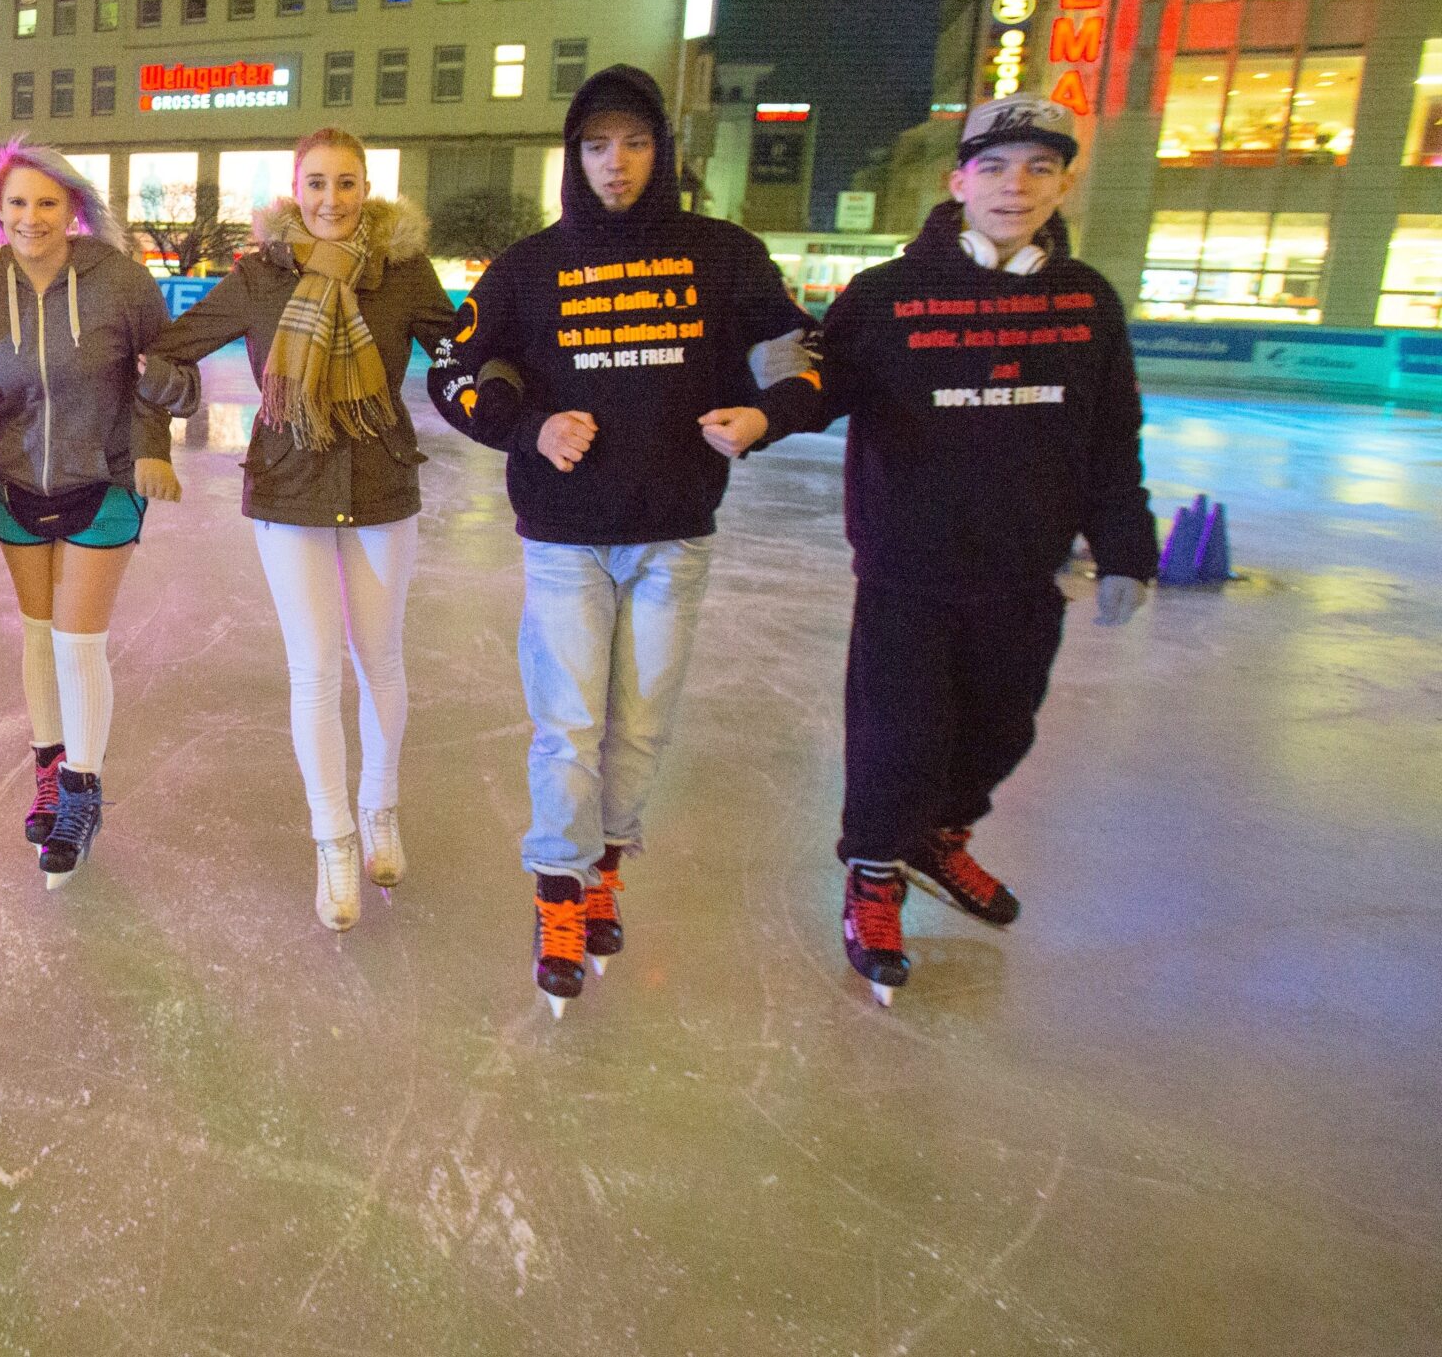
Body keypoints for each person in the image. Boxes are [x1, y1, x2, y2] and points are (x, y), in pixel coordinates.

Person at [424, 64, 814, 1017]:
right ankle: (559, 890)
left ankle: (605, 865)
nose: (616, 164)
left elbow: (807, 349)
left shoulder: (722, 255)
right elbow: (447, 367)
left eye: (635, 142)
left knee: (639, 726)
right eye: (596, 146)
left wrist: (770, 414)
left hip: (673, 536)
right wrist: (527, 427)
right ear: (573, 155)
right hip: (565, 538)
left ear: (662, 150)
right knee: (568, 727)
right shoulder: (530, 267)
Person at [751, 94, 1158, 1006]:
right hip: (909, 570)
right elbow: (822, 386)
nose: (1016, 186)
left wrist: (1126, 544)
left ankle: (939, 840)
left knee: (1000, 729)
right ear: (958, 180)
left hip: (1023, 572)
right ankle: (874, 878)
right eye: (997, 167)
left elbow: (1110, 435)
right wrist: (763, 407)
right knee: (897, 738)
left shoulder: (1086, 301)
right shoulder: (892, 295)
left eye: (1039, 168)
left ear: (1063, 183)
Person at [138, 128, 455, 933]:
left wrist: (518, 392)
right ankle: (335, 842)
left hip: (382, 486)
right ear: (294, 188)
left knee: (379, 659)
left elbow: (464, 351)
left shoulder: (403, 272)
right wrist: (146, 412)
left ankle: (380, 807)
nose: (331, 200)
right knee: (315, 670)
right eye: (316, 183)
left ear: (367, 188)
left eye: (346, 184)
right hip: (289, 490)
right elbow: (166, 352)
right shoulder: (258, 277)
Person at [0, 140, 179, 886]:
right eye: (16, 203)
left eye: (47, 202)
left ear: (73, 208)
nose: (31, 217)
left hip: (105, 482)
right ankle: (50, 768)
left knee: (78, 639)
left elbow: (162, 374)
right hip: (17, 483)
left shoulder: (121, 283)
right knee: (39, 632)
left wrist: (159, 440)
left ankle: (83, 791)